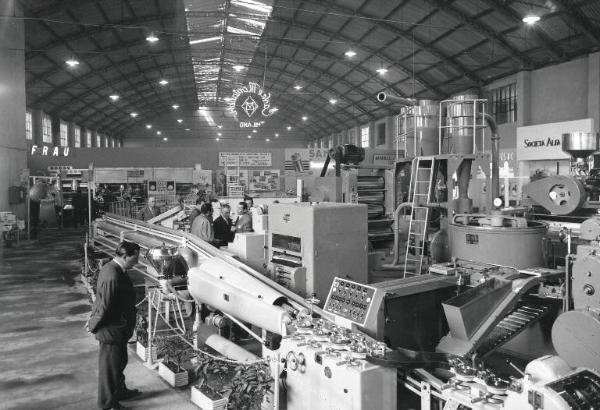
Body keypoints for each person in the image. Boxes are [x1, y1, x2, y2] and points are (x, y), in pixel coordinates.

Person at [87, 241, 141, 410]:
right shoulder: (113, 274)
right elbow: (104, 304)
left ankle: (120, 391)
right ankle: (108, 404)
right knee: (109, 369)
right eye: (135, 258)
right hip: (111, 330)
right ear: (124, 257)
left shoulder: (116, 269)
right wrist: (92, 324)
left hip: (119, 329)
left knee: (119, 362)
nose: (137, 261)